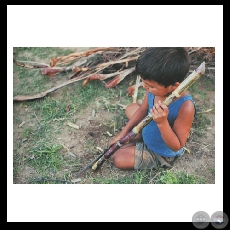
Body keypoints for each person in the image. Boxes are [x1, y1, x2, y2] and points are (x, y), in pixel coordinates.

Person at [109, 47, 196, 170]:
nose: (145, 87)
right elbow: (142, 110)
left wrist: (162, 122)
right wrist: (122, 134)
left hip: (161, 151)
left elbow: (177, 145)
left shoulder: (185, 106)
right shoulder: (153, 90)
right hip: (149, 127)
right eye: (144, 82)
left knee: (119, 158)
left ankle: (140, 144)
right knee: (131, 108)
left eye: (150, 85)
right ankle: (139, 139)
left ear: (174, 86)